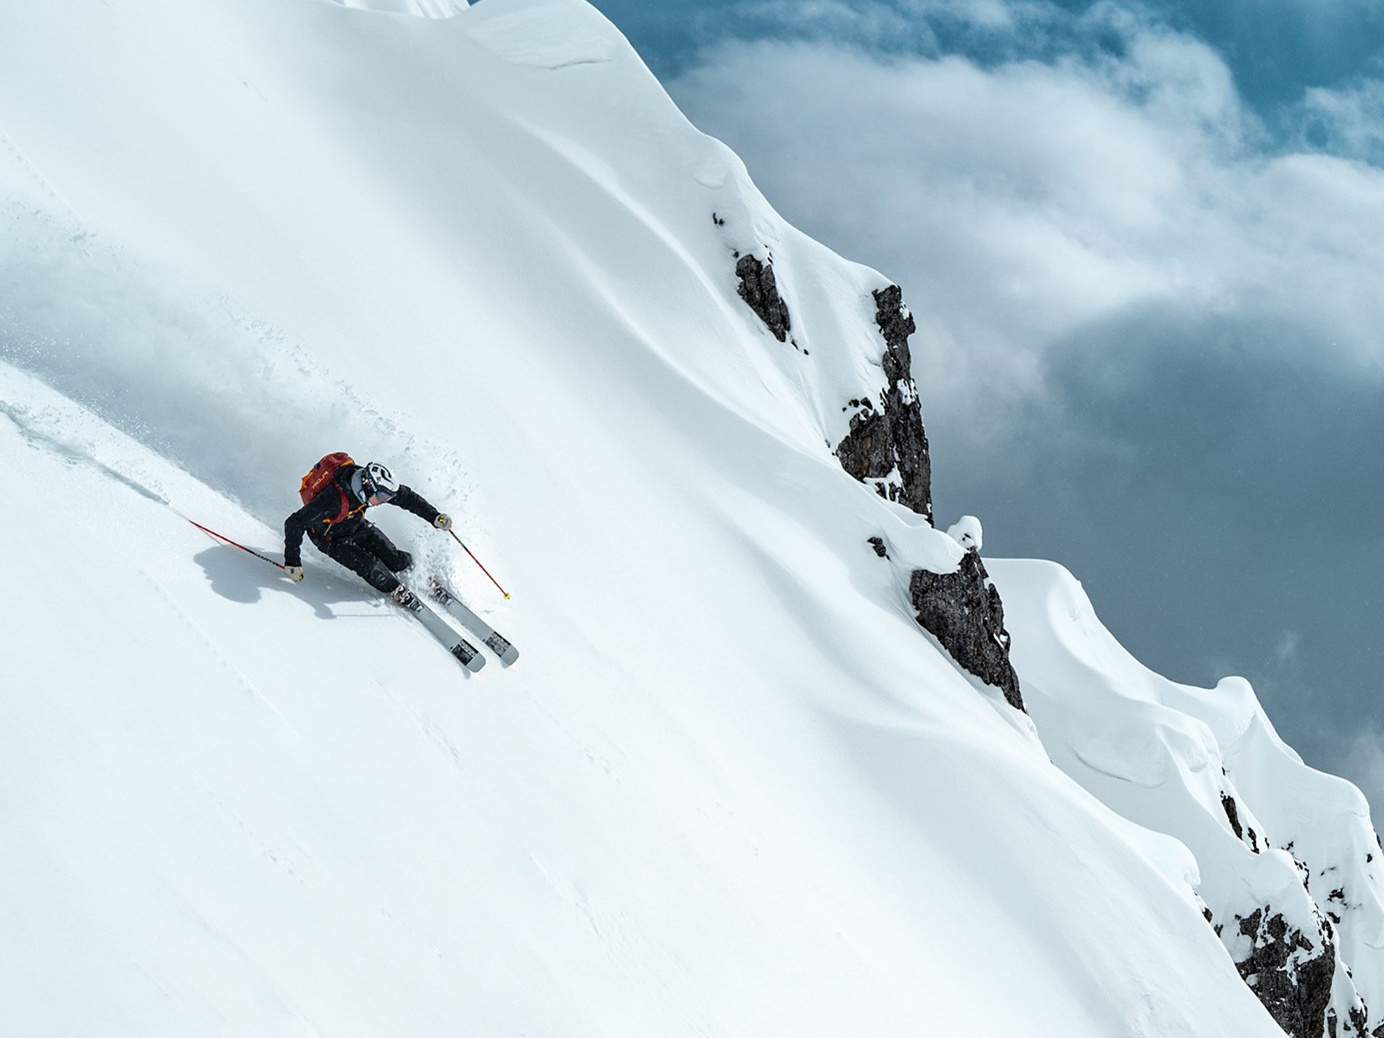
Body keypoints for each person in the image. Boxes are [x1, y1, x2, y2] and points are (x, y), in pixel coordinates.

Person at [283, 458, 452, 607]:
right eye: (381, 497)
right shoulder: (331, 499)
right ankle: (394, 589)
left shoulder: (373, 486)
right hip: (330, 538)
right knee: (367, 565)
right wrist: (292, 561)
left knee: (391, 555)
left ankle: (419, 576)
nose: (383, 501)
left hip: (354, 524)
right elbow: (294, 523)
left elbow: (407, 497)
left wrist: (434, 517)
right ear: (368, 487)